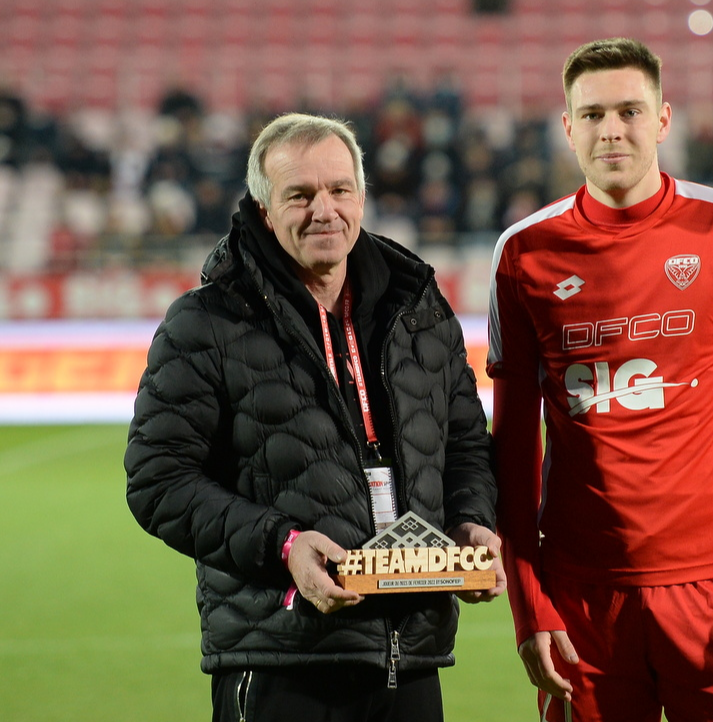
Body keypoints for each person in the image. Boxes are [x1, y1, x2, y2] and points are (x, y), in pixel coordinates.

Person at [125, 113, 503, 722]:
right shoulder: (207, 322)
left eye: (339, 190)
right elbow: (158, 483)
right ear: (264, 209)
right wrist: (285, 546)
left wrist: (472, 522)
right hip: (281, 658)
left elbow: (464, 444)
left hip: (411, 659)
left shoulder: (420, 310)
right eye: (299, 195)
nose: (323, 210)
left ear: (362, 196)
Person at [487, 38, 713, 722]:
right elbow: (514, 445)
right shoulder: (524, 254)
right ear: (568, 125)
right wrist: (528, 605)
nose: (613, 129)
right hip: (582, 603)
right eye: (595, 114)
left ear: (663, 120)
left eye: (630, 111)